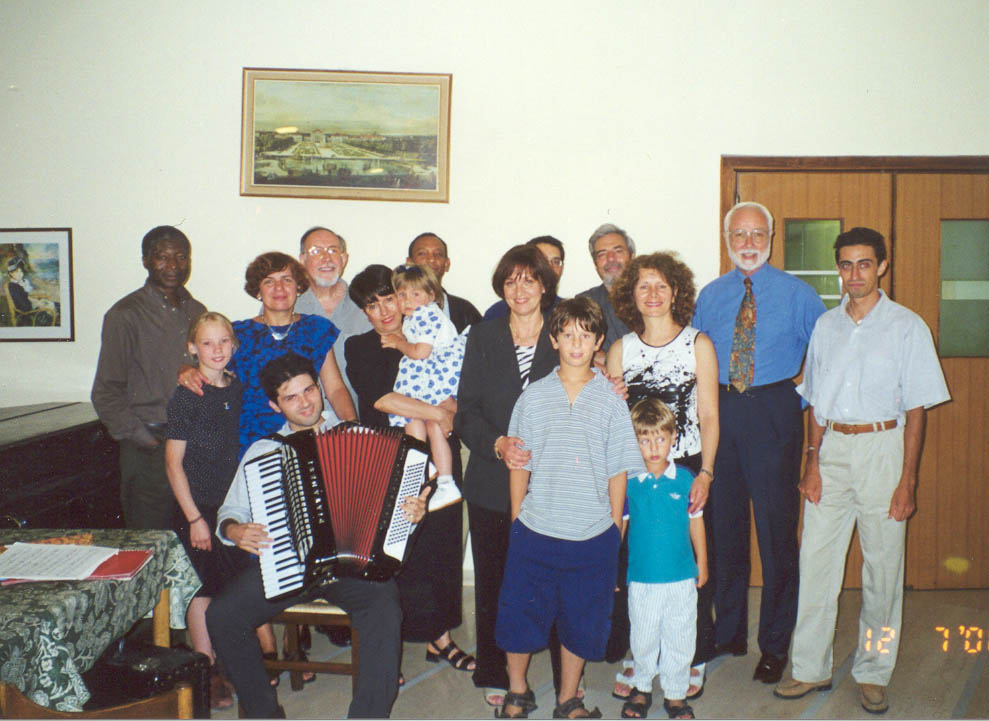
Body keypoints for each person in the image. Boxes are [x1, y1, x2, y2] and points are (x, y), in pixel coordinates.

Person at [773, 227, 949, 714]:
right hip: (831, 452)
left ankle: (873, 671)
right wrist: (812, 462)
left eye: (865, 264)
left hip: (883, 451)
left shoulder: (907, 327)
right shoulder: (826, 327)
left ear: (882, 266)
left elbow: (916, 409)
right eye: (846, 265)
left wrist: (907, 479)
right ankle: (809, 667)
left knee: (883, 573)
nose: (855, 274)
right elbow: (814, 400)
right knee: (816, 564)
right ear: (839, 269)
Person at [206, 352, 424, 719]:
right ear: (275, 405)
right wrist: (234, 530)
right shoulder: (264, 451)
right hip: (286, 567)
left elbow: (394, 513)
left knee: (384, 606)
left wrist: (412, 515)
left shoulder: (358, 438)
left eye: (309, 390)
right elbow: (230, 512)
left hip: (350, 569)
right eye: (291, 397)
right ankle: (263, 714)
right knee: (222, 615)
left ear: (320, 387)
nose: (305, 402)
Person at [692, 201, 826, 684]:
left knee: (776, 534)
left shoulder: (798, 294)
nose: (748, 243)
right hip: (721, 411)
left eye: (757, 234)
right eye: (739, 234)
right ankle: (729, 632)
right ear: (727, 238)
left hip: (774, 412)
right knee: (723, 528)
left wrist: (802, 399)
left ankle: (774, 644)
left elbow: (826, 354)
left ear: (770, 238)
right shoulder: (711, 295)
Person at [495, 296, 644, 719]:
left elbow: (619, 470)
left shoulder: (612, 400)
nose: (576, 344)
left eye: (585, 335)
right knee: (520, 614)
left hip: (593, 533)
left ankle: (568, 698)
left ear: (599, 341)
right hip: (536, 528)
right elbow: (519, 464)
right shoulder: (533, 397)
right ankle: (517, 691)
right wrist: (517, 520)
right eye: (567, 335)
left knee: (582, 620)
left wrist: (614, 529)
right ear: (554, 340)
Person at [345, 264, 475, 679]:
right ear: (364, 312)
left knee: (440, 544)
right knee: (394, 552)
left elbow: (461, 380)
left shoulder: (428, 333)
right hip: (388, 458)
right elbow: (382, 399)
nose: (385, 310)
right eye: (373, 305)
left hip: (438, 457)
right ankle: (388, 649)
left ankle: (440, 638)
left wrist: (451, 409)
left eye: (389, 299)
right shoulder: (359, 346)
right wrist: (439, 413)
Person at [606, 252, 719, 700]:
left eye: (661, 286)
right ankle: (640, 655)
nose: (652, 294)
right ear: (631, 295)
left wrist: (706, 472)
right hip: (636, 471)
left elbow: (709, 414)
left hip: (687, 466)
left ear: (676, 292)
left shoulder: (698, 344)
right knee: (638, 561)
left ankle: (693, 656)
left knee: (689, 563)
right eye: (643, 286)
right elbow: (613, 421)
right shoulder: (621, 350)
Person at [454, 244, 560, 708]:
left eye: (529, 279)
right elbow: (466, 411)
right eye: (511, 280)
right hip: (493, 479)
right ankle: (495, 670)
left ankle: (562, 675)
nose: (520, 289)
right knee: (495, 581)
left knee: (552, 579)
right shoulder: (483, 335)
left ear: (545, 285)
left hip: (553, 481)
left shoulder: (563, 331)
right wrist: (498, 444)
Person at [179, 251, 357, 459]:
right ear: (258, 291)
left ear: (298, 287)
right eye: (269, 281)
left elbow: (335, 389)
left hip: (308, 435)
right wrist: (186, 369)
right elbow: (210, 370)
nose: (279, 288)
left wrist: (353, 430)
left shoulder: (317, 329)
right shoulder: (237, 334)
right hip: (253, 442)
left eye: (287, 280)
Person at [92, 225, 205, 529]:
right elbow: (105, 391)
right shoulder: (125, 314)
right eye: (162, 257)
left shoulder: (197, 311)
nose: (173, 265)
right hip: (149, 445)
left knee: (192, 538)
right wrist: (146, 440)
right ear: (145, 260)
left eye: (181, 257)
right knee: (150, 537)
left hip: (193, 443)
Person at [164, 311, 246, 710]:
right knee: (202, 589)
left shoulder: (237, 388)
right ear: (192, 348)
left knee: (227, 585)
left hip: (230, 505)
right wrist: (195, 518)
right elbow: (172, 464)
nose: (217, 350)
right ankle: (206, 669)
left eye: (223, 341)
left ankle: (228, 662)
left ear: (234, 345)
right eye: (207, 343)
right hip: (196, 507)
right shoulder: (187, 395)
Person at [621, 398, 708, 720]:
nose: (654, 447)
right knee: (643, 636)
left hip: (681, 577)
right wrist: (612, 567)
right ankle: (641, 687)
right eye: (644, 440)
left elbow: (696, 523)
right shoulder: (630, 484)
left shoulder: (686, 480)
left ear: (673, 437)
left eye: (660, 438)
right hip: (642, 578)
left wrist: (703, 563)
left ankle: (675, 693)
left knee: (680, 636)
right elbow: (620, 527)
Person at [293, 226, 371, 404]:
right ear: (302, 260)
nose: (326, 258)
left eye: (333, 250)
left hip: (359, 414)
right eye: (316, 251)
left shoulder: (367, 304)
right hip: (303, 415)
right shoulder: (287, 307)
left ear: (344, 259)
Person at [577, 223, 635, 360]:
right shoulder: (584, 303)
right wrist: (594, 354)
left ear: (632, 257)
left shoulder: (652, 298)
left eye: (618, 251)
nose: (611, 258)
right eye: (602, 254)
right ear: (595, 264)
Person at [407, 232, 481, 332]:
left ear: (447, 264)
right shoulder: (396, 310)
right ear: (409, 263)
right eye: (422, 254)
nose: (431, 259)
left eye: (438, 254)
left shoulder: (465, 311)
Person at [483, 236, 566, 320]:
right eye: (542, 260)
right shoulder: (495, 313)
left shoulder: (567, 313)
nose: (549, 267)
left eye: (555, 262)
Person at [3, 256, 58, 326]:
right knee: (53, 309)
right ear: (11, 273)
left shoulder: (17, 285)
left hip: (30, 310)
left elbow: (25, 298)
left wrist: (38, 302)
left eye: (21, 271)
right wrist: (38, 305)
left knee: (54, 305)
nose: (20, 274)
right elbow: (24, 307)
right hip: (28, 316)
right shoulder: (13, 286)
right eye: (17, 272)